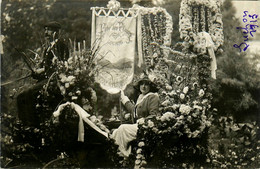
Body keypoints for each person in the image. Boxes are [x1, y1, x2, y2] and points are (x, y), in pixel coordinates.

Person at [17, 21, 69, 126]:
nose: (46, 32)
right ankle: (25, 124)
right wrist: (37, 73)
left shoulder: (60, 46)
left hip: (53, 81)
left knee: (26, 95)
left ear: (56, 32)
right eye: (45, 30)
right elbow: (45, 67)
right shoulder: (48, 47)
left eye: (49, 30)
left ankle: (31, 126)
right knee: (20, 95)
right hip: (45, 79)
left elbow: (61, 66)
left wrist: (44, 71)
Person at [110, 75, 160, 157]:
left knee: (122, 128)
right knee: (115, 132)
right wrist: (123, 98)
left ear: (150, 86)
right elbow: (134, 110)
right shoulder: (141, 97)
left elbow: (153, 115)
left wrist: (143, 121)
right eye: (141, 84)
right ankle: (118, 154)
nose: (143, 86)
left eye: (146, 84)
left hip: (146, 127)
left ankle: (123, 154)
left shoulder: (153, 96)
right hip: (139, 125)